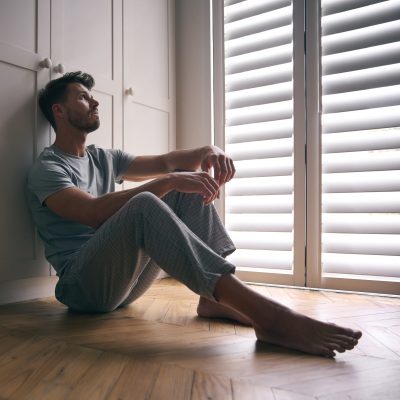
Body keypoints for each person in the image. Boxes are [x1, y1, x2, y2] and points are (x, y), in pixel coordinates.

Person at [27, 71, 361, 358]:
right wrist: (169, 180)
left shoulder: (103, 157)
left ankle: (212, 298)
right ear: (59, 110)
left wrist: (206, 151)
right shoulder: (48, 167)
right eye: (84, 98)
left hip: (123, 286)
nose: (96, 102)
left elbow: (167, 162)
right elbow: (92, 213)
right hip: (83, 289)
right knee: (149, 200)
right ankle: (270, 317)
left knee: (177, 188)